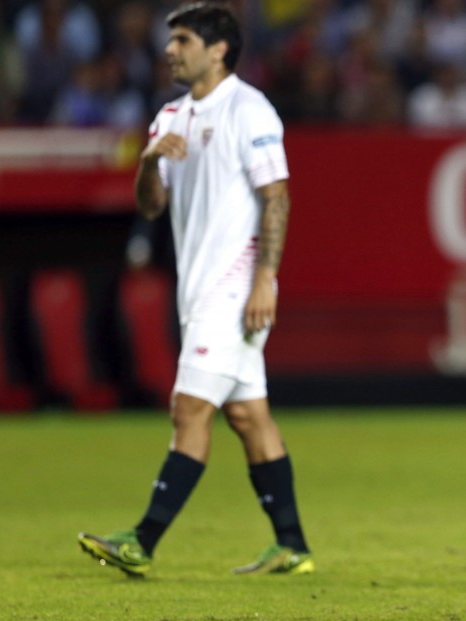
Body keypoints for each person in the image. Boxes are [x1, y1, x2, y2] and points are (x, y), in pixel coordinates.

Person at [77, 2, 313, 577]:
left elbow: (275, 196)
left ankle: (142, 540)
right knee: (249, 418)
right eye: (170, 40)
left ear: (218, 50)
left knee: (189, 410)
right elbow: (151, 206)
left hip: (234, 290)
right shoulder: (169, 118)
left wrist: (265, 279)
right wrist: (149, 164)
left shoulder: (250, 110)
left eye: (182, 39)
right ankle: (292, 545)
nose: (170, 50)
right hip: (199, 288)